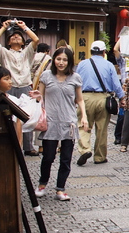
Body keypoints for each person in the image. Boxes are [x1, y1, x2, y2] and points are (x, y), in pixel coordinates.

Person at [36, 47, 89, 201]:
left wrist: (84, 116)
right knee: (48, 157)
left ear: (70, 62)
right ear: (54, 60)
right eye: (58, 59)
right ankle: (42, 184)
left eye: (65, 60)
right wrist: (36, 101)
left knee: (65, 159)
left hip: (69, 123)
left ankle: (60, 189)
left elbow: (79, 99)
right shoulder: (46, 76)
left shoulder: (75, 77)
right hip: (50, 122)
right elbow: (41, 97)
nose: (61, 62)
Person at [0, 19, 40, 155]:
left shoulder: (27, 52)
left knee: (27, 117)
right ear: (8, 42)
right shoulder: (4, 53)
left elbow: (35, 39)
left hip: (24, 87)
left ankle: (28, 147)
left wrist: (24, 27)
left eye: (18, 36)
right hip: (9, 88)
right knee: (9, 118)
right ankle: (11, 144)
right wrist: (4, 28)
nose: (16, 37)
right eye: (12, 36)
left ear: (23, 42)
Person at [75, 40, 124, 166]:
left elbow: (76, 81)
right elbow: (116, 84)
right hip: (104, 98)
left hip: (84, 97)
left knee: (83, 125)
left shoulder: (82, 64)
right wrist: (122, 98)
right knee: (102, 129)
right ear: (103, 52)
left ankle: (85, 149)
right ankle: (100, 157)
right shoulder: (109, 65)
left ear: (91, 51)